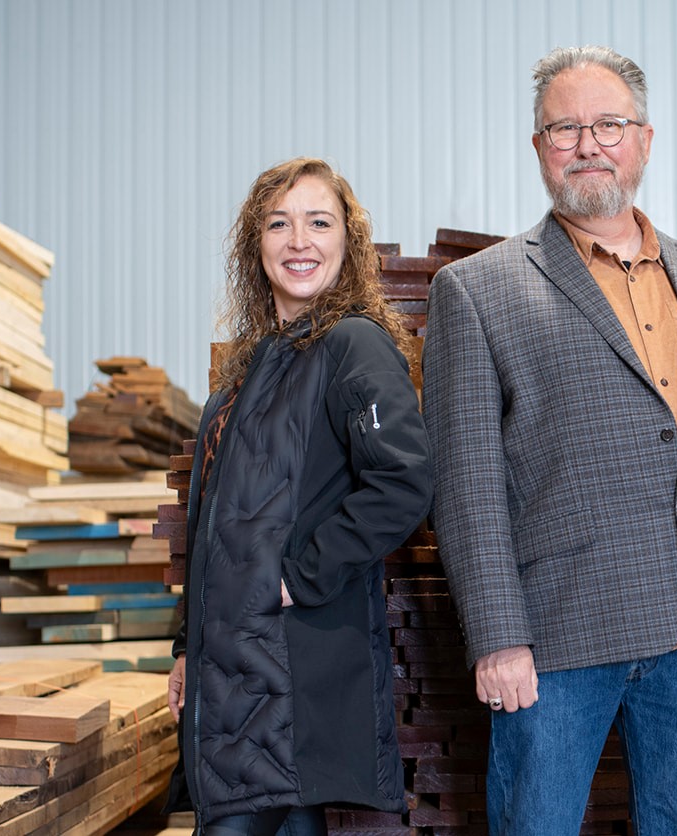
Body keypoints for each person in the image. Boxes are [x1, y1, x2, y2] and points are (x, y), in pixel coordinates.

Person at [421, 46, 677, 834]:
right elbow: (468, 488)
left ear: (645, 139)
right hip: (554, 640)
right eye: (565, 129)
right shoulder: (478, 290)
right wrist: (497, 638)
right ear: (539, 150)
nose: (588, 144)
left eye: (609, 124)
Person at [164, 157, 433, 836]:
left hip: (288, 669)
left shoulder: (352, 346)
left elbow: (403, 482)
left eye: (320, 222)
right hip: (229, 670)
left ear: (348, 241)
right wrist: (184, 646)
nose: (299, 241)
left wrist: (298, 575)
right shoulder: (246, 370)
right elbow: (212, 525)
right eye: (278, 224)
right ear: (256, 245)